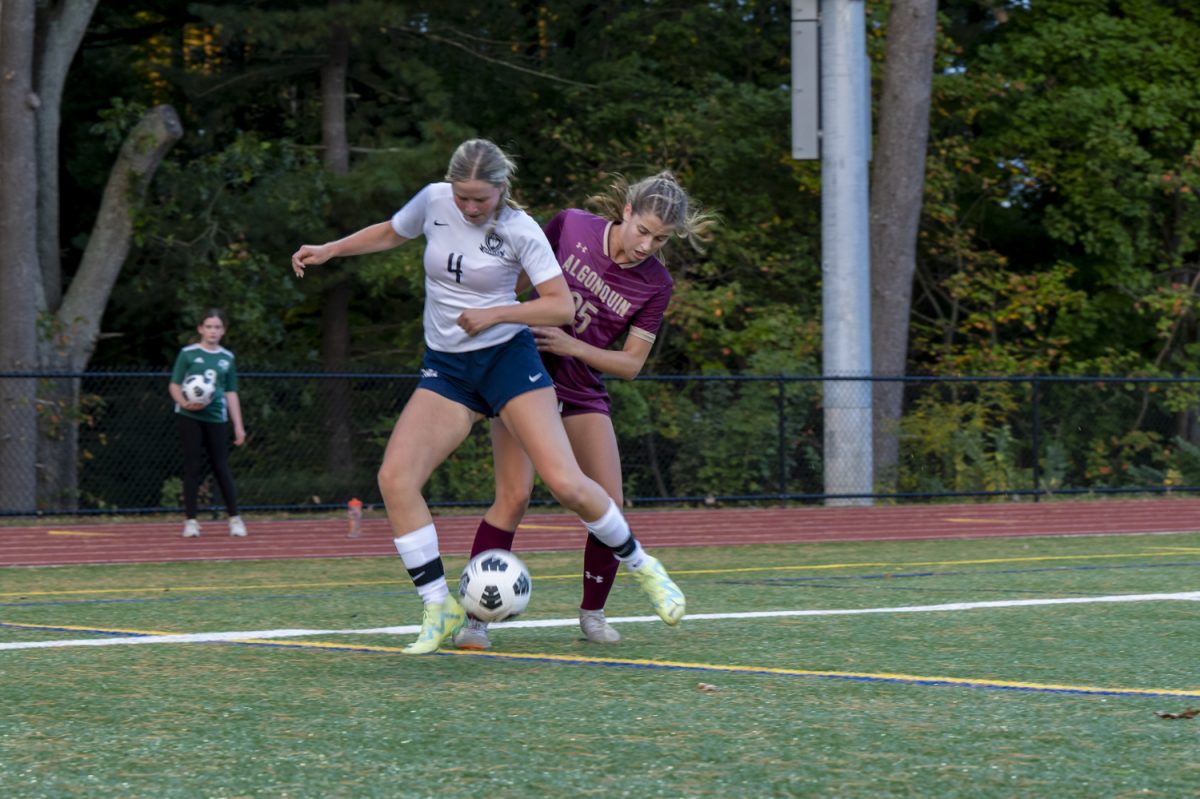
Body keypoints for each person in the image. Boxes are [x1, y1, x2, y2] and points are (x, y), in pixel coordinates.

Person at [289, 139, 685, 654]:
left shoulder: (524, 230)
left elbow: (558, 306)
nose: (470, 207)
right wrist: (332, 248)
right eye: (462, 196)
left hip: (521, 366)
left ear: (502, 190)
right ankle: (443, 608)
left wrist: (500, 313)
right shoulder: (444, 203)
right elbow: (393, 230)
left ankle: (639, 571)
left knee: (571, 485)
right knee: (398, 478)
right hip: (452, 367)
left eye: (481, 198)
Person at [454, 171, 715, 650]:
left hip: (579, 386)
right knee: (514, 496)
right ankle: (475, 621)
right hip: (522, 371)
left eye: (660, 239)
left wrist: (573, 347)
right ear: (628, 212)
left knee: (608, 503)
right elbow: (514, 279)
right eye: (643, 231)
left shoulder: (657, 283)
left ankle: (593, 614)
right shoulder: (571, 225)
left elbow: (631, 364)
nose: (647, 245)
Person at [168, 308, 248, 538]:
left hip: (216, 418)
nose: (213, 331)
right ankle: (191, 521)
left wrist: (238, 425)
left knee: (221, 467)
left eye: (217, 327)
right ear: (200, 329)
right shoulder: (188, 354)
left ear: (223, 331)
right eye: (209, 327)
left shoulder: (227, 358)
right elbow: (174, 384)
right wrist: (184, 402)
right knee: (192, 467)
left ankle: (235, 519)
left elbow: (231, 392)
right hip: (190, 417)